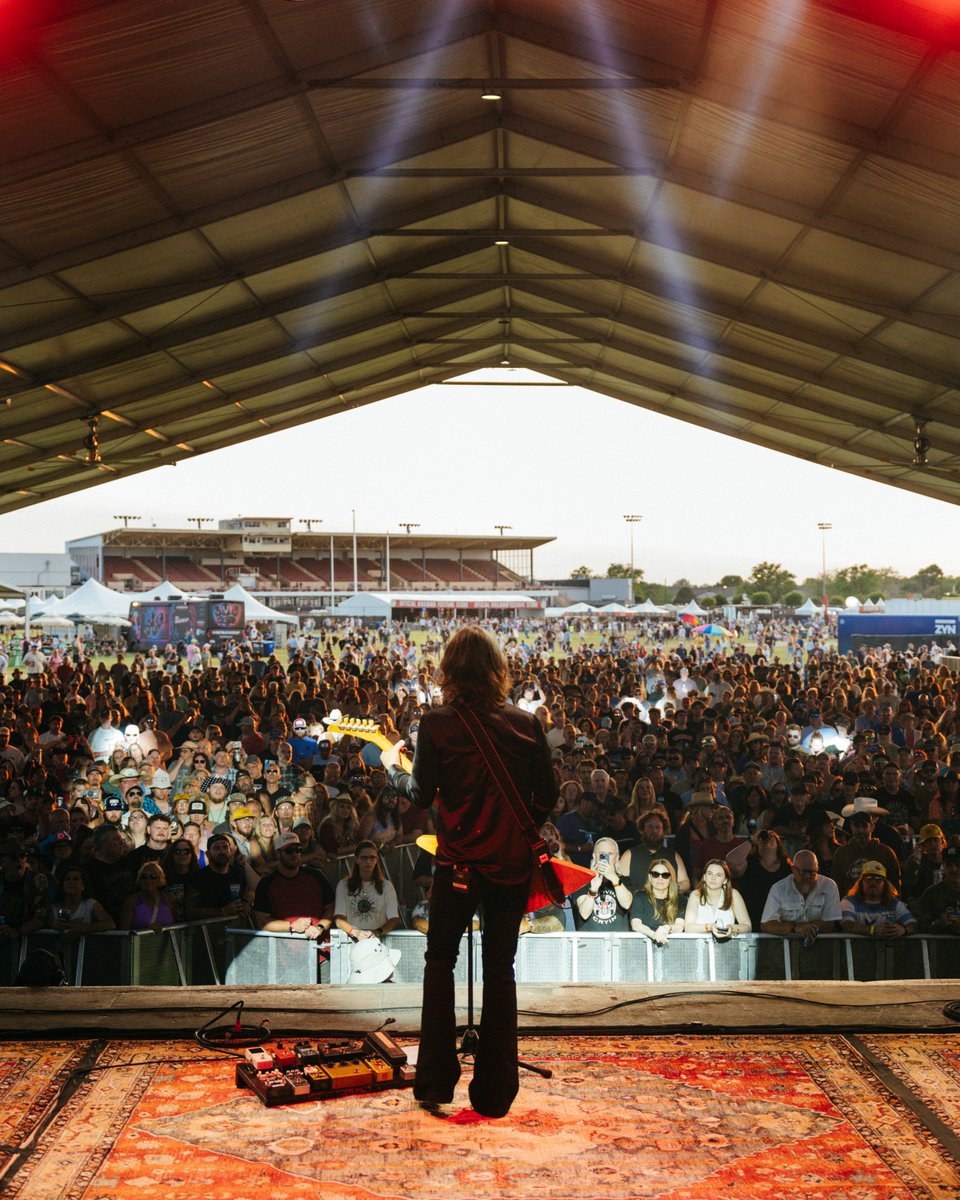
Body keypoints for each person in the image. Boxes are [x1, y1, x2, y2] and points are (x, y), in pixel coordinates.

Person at [382, 625, 557, 1118]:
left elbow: (419, 794)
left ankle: (435, 1081)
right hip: (509, 866)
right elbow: (547, 794)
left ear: (449, 671)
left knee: (440, 963)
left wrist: (390, 766)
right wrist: (511, 831)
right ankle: (496, 1091)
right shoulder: (527, 724)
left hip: (457, 864)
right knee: (501, 969)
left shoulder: (436, 724)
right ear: (497, 671)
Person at [252, 829, 334, 939]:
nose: (294, 854)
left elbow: (331, 907)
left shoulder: (316, 876)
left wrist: (320, 927)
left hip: (319, 947)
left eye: (298, 850)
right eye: (289, 850)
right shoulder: (266, 884)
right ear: (277, 853)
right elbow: (262, 921)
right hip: (284, 949)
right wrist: (293, 926)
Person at [759, 850, 842, 944]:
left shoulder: (829, 886)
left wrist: (807, 928)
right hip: (785, 945)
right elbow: (766, 925)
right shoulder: (779, 888)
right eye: (803, 872)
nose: (807, 876)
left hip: (821, 945)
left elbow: (830, 923)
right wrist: (796, 928)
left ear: (817, 869)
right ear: (793, 869)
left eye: (812, 873)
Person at [334, 840, 401, 940]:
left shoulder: (387, 886)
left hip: (377, 942)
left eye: (372, 857)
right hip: (350, 941)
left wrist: (377, 932)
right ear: (356, 859)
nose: (368, 861)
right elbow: (339, 919)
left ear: (376, 860)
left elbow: (394, 919)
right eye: (364, 858)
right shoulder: (343, 885)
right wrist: (355, 932)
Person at [840, 861, 917, 938]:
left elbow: (913, 924)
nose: (873, 883)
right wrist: (872, 930)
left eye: (878, 879)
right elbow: (847, 925)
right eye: (868, 878)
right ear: (861, 882)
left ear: (885, 883)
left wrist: (903, 929)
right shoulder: (849, 901)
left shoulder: (894, 903)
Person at [573, 836, 633, 931]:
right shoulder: (582, 881)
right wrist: (593, 889)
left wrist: (613, 877)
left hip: (618, 941)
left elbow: (626, 904)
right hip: (590, 942)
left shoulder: (624, 881)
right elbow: (584, 914)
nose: (605, 858)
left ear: (617, 858)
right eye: (601, 853)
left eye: (610, 854)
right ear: (594, 856)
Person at [683, 859, 751, 937]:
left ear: (725, 880)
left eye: (718, 875)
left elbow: (747, 925)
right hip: (700, 947)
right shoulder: (695, 895)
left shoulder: (733, 894)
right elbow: (688, 927)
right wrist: (709, 927)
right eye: (709, 873)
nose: (713, 878)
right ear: (704, 877)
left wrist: (732, 928)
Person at [630, 858, 684, 944]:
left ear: (671, 878)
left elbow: (679, 926)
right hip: (644, 946)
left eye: (665, 875)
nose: (660, 878)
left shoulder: (681, 899)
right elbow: (636, 924)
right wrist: (654, 935)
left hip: (672, 947)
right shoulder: (640, 896)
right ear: (649, 877)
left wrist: (667, 928)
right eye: (655, 874)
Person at [51, 866, 115, 934]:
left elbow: (110, 924)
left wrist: (85, 928)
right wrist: (53, 925)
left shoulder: (90, 905)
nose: (71, 882)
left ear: (83, 886)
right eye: (67, 879)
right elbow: (46, 923)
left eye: (76, 879)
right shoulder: (54, 907)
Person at [119, 862, 175, 932]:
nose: (148, 880)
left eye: (153, 877)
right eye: (144, 877)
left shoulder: (169, 899)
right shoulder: (131, 902)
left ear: (159, 880)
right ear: (139, 880)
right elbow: (124, 931)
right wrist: (146, 929)